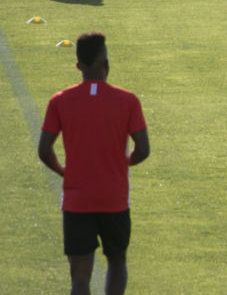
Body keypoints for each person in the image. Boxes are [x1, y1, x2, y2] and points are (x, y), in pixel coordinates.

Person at [38, 32, 149, 295]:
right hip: (114, 197)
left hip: (77, 199)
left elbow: (44, 150)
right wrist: (123, 164)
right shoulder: (128, 100)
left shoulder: (60, 101)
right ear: (107, 64)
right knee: (117, 260)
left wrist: (63, 171)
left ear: (79, 66)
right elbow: (143, 150)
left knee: (79, 275)